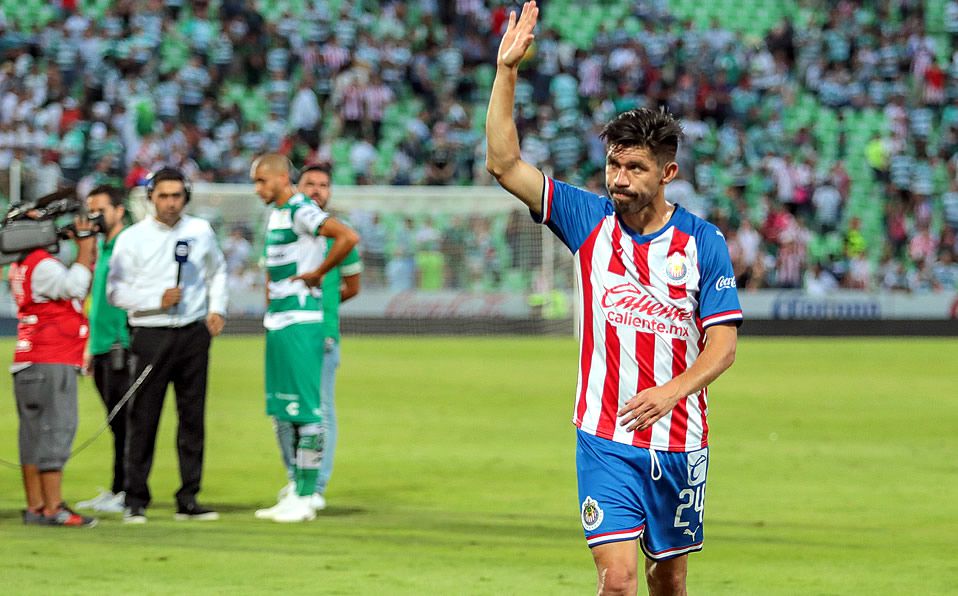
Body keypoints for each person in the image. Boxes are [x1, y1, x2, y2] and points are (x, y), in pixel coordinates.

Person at [486, 3, 742, 594]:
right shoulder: (587, 220)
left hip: (680, 441)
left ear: (667, 173)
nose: (619, 178)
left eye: (635, 168)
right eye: (613, 164)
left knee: (668, 580)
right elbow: (504, 164)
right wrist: (507, 71)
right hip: (604, 436)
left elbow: (723, 346)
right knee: (620, 582)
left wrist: (670, 392)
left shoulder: (703, 243)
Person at [107, 167, 228, 524]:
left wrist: (217, 308)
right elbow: (115, 291)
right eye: (163, 196)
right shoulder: (132, 238)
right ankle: (135, 498)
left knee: (192, 418)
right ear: (150, 198)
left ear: (186, 197)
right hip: (150, 333)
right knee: (143, 418)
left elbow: (217, 271)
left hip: (192, 333)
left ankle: (188, 497)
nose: (171, 203)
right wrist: (155, 300)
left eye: (177, 196)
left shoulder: (200, 230)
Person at [249, 154, 359, 523]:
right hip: (280, 321)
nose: (257, 189)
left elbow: (348, 237)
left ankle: (309, 494)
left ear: (282, 178)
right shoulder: (278, 214)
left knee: (309, 412)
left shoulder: (300, 209)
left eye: (262, 181)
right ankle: (297, 489)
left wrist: (318, 273)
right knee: (284, 411)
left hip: (302, 321)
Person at [8, 208, 98, 527]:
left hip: (29, 359)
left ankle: (36, 506)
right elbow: (74, 287)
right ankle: (53, 508)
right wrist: (84, 246)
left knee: (32, 437)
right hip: (51, 359)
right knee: (56, 431)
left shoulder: (20, 265)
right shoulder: (41, 263)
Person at [75, 185, 132, 514]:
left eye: (100, 210)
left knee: (124, 422)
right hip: (100, 347)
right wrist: (88, 347)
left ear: (119, 211)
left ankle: (126, 491)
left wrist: (123, 340)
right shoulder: (103, 246)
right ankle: (118, 488)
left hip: (119, 346)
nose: (94, 217)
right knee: (115, 422)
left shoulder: (127, 245)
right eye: (90, 210)